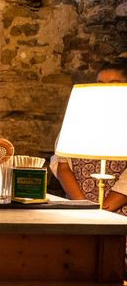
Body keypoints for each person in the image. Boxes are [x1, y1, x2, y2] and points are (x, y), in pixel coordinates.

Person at [50, 59, 127, 216]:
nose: (104, 90)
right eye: (100, 83)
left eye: (112, 83)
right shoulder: (80, 119)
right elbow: (62, 164)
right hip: (80, 207)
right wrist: (83, 206)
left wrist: (103, 210)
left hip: (118, 213)